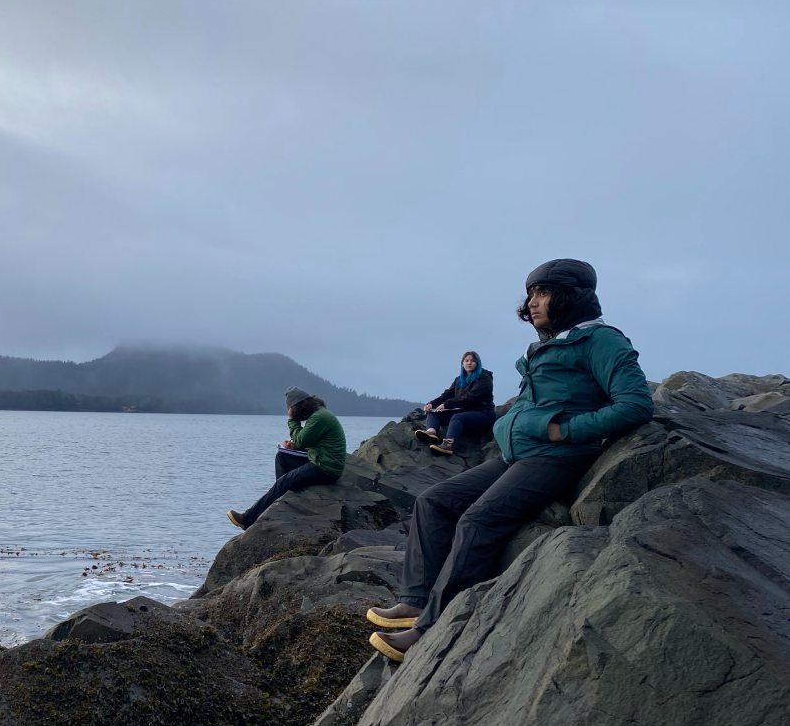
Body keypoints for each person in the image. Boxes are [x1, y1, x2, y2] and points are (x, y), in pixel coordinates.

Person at [366, 259, 652, 662]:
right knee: (432, 501)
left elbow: (636, 404)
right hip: (518, 453)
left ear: (571, 296)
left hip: (557, 456)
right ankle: (415, 600)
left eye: (544, 293)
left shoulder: (601, 341)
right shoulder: (549, 342)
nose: (533, 302)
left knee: (477, 521)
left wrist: (563, 430)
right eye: (532, 293)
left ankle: (431, 630)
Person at [227, 386, 347, 530]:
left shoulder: (319, 417)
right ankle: (283, 498)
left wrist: (292, 420)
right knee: (282, 457)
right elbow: (309, 442)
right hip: (321, 459)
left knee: (284, 481)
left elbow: (302, 440)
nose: (291, 413)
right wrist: (294, 445)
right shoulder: (319, 414)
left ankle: (247, 519)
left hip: (326, 467)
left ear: (298, 408)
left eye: (291, 410)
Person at [415, 351, 495, 456]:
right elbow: (447, 394)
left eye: (472, 361)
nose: (469, 363)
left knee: (457, 417)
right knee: (434, 412)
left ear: (477, 363)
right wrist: (431, 404)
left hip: (483, 414)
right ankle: (431, 433)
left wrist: (447, 404)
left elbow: (470, 398)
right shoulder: (459, 380)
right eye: (466, 361)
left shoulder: (484, 378)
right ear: (462, 363)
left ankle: (448, 445)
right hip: (466, 412)